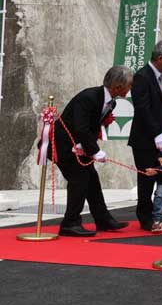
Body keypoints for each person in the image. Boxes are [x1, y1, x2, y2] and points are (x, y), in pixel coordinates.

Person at [49, 66, 133, 237]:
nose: (130, 88)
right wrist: (94, 151)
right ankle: (70, 223)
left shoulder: (111, 102)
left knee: (92, 180)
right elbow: (81, 127)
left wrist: (88, 148)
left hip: (79, 148)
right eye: (129, 85)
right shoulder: (88, 97)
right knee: (79, 180)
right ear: (117, 86)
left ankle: (103, 219)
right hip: (63, 146)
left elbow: (93, 127)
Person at [129, 40, 162, 231]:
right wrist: (156, 133)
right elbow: (143, 108)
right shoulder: (141, 77)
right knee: (147, 178)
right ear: (160, 58)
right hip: (144, 138)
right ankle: (145, 216)